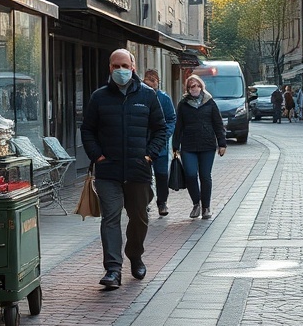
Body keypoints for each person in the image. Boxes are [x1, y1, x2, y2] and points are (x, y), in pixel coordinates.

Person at [81, 49, 167, 290]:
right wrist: (97, 156)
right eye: (116, 66)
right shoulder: (99, 97)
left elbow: (160, 129)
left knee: (139, 218)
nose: (121, 70)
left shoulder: (148, 96)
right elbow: (87, 129)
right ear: (110, 68)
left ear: (133, 67)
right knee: (111, 218)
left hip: (138, 170)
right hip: (108, 171)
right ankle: (113, 269)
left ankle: (135, 255)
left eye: (124, 65)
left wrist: (149, 155)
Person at [172, 74, 227, 220]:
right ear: (187, 89)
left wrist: (222, 143)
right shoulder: (183, 104)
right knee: (190, 174)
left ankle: (206, 207)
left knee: (205, 176)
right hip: (188, 145)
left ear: (201, 87)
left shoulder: (209, 102)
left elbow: (218, 123)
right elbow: (179, 126)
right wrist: (175, 146)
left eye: (197, 85)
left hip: (207, 144)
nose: (194, 88)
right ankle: (196, 203)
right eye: (191, 86)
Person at [142, 68, 176, 217]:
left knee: (161, 175)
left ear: (157, 82)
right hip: (143, 144)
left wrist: (165, 135)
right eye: (148, 82)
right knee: (145, 176)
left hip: (160, 145)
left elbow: (171, 118)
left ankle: (162, 202)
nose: (151, 85)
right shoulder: (140, 96)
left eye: (153, 81)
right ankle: (145, 202)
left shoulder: (164, 98)